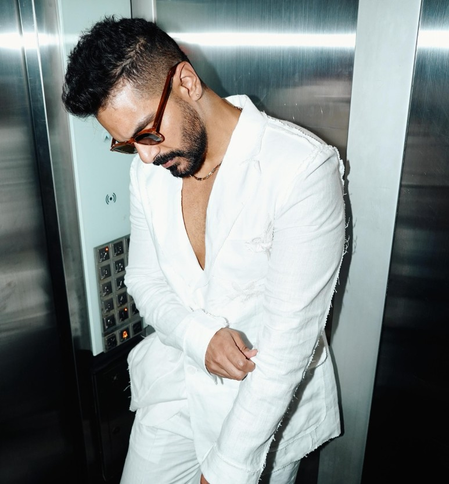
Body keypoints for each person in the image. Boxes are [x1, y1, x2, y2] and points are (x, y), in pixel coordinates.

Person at [62, 17, 345, 484]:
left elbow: (287, 348)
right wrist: (198, 337)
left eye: (146, 133)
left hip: (263, 414)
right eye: (126, 144)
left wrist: (225, 470)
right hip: (176, 383)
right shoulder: (148, 171)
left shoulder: (301, 170)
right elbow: (144, 280)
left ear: (187, 82)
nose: (145, 157)